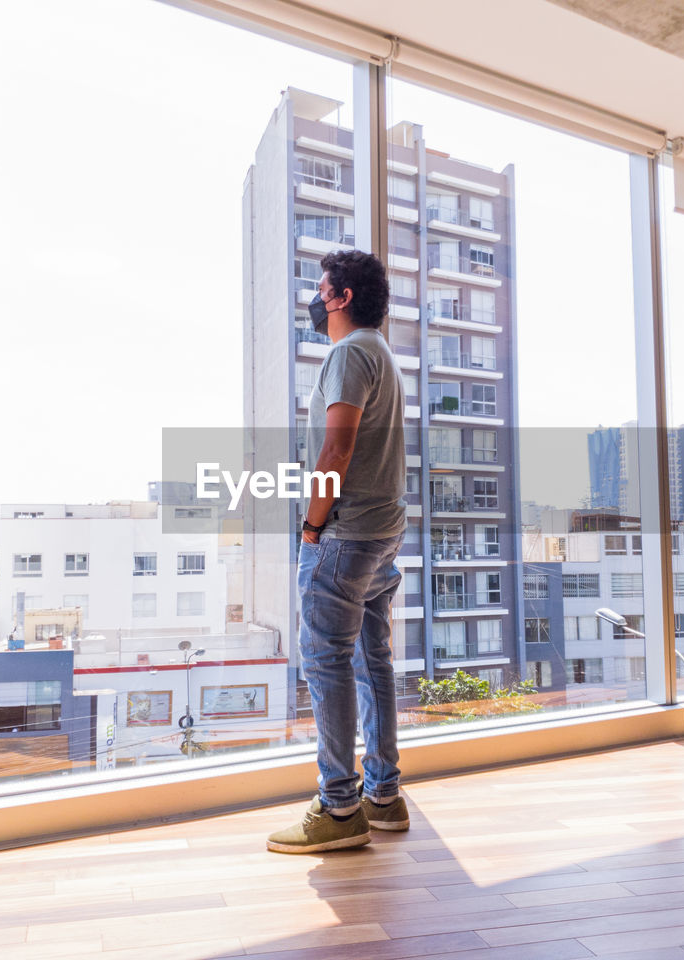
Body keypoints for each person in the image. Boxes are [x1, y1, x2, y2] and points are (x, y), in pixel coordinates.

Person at [266, 249, 411, 854]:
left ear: (341, 297)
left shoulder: (349, 353)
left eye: (321, 287)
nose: (314, 297)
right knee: (371, 660)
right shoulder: (382, 355)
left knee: (327, 662)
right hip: (383, 532)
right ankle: (383, 795)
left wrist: (310, 525)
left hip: (346, 534)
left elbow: (337, 448)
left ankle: (341, 807)